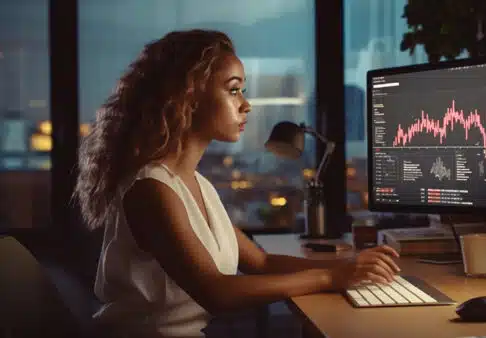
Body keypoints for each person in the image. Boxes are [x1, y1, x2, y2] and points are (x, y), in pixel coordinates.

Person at [74, 29, 400, 338]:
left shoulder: (196, 184)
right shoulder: (151, 189)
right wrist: (330, 277)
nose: (246, 104)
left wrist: (348, 268)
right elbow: (218, 292)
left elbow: (261, 262)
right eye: (233, 90)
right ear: (188, 98)